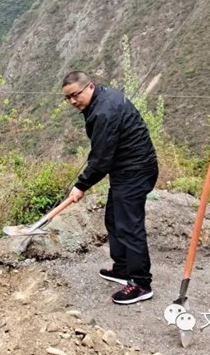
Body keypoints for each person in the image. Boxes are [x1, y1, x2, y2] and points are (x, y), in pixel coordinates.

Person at [61, 71, 159, 305]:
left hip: (135, 171)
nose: (73, 101)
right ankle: (123, 268)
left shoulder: (104, 111)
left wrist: (81, 185)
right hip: (125, 170)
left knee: (129, 226)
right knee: (114, 220)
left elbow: (101, 158)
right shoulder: (100, 101)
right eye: (68, 98)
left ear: (90, 87)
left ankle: (140, 283)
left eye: (76, 95)